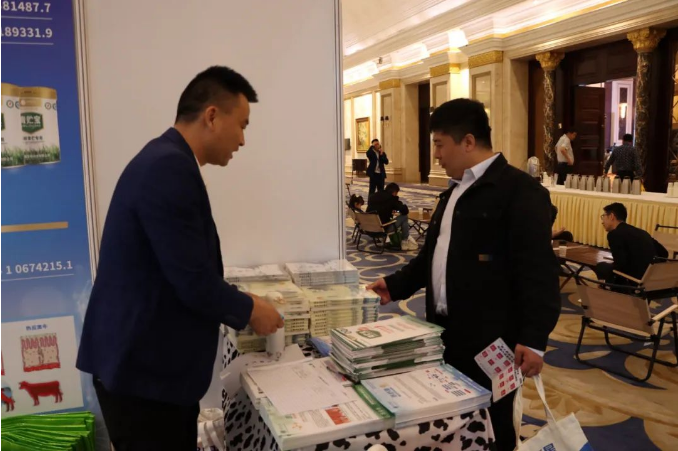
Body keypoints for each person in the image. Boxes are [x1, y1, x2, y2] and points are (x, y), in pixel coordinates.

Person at [76, 66, 284, 450]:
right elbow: (192, 280)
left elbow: (179, 267)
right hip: (143, 380)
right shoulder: (168, 168)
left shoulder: (166, 159)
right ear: (211, 116)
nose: (242, 140)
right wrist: (251, 309)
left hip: (145, 370)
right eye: (242, 126)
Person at [367, 99, 560, 451]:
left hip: (494, 340)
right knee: (451, 422)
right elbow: (434, 256)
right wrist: (395, 285)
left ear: (468, 141)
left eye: (440, 144)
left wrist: (534, 338)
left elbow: (539, 270)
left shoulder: (519, 192)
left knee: (493, 422)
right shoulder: (453, 192)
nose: (436, 155)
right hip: (444, 332)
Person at [595, 202, 668, 284]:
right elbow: (664, 253)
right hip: (653, 279)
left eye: (603, 216)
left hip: (634, 281)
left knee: (601, 266)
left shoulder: (614, 234)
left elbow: (620, 265)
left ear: (611, 216)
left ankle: (610, 288)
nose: (602, 221)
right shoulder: (642, 232)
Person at [367, 182, 418, 251]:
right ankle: (404, 240)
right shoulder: (391, 199)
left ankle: (403, 240)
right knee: (404, 217)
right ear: (394, 192)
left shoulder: (373, 196)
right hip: (381, 229)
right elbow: (405, 210)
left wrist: (391, 210)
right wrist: (397, 204)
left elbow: (380, 209)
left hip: (368, 228)